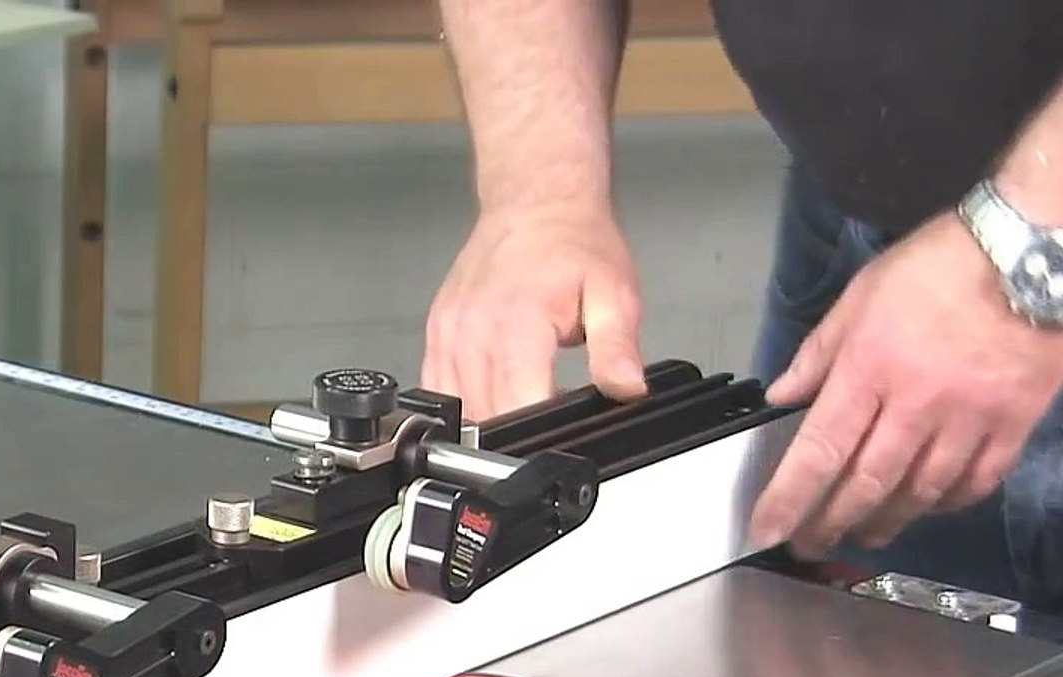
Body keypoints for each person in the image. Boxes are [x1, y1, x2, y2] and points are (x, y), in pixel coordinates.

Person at [422, 0, 1063, 610]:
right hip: (868, 218)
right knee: (842, 655)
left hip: (1030, 239)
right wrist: (541, 196)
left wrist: (1030, 244)